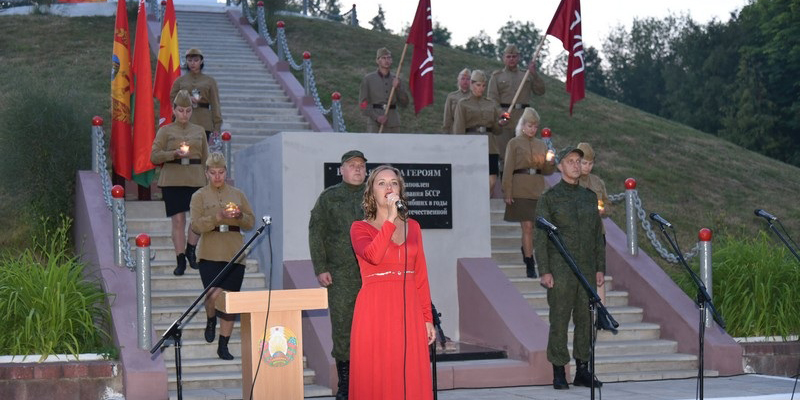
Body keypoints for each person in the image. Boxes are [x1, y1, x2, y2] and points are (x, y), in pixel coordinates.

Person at [348, 165, 436, 400]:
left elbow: (420, 275)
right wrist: (390, 219)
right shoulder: (359, 228)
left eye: (393, 183)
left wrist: (427, 318)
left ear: (400, 190)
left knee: (410, 374)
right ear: (371, 192)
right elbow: (374, 256)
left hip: (409, 309)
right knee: (377, 374)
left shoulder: (413, 227)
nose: (388, 187)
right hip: (374, 310)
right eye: (381, 183)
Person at [535, 146, 605, 390]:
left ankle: (583, 370)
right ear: (560, 166)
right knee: (560, 319)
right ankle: (558, 371)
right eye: (571, 161)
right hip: (560, 268)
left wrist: (600, 267)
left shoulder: (589, 197)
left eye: (579, 161)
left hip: (586, 268)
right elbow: (540, 237)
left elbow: (597, 236)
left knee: (585, 320)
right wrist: (545, 270)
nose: (576, 165)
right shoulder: (550, 198)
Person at [308, 150, 368, 400]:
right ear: (341, 170)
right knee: (343, 328)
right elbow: (316, 232)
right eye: (352, 165)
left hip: (372, 274)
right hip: (341, 275)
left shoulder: (374, 195)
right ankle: (346, 384)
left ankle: (369, 382)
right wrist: (320, 267)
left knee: (371, 329)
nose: (358, 169)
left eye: (361, 165)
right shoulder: (329, 198)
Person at [189, 152, 255, 360]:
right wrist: (217, 217)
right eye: (213, 173)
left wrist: (240, 215)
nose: (217, 176)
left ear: (226, 172)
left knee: (230, 301)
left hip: (234, 253)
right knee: (212, 295)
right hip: (209, 252)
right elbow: (196, 225)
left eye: (221, 172)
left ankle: (223, 345)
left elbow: (251, 222)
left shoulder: (238, 194)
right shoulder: (199, 196)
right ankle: (211, 318)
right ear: (206, 173)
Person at [151, 90, 209, 275]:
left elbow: (206, 158)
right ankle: (180, 259)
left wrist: (211, 179)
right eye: (181, 110)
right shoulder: (165, 130)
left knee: (197, 219)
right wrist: (173, 154)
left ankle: (191, 250)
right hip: (173, 179)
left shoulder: (199, 131)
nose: (184, 114)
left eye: (188, 110)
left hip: (196, 178)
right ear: (174, 110)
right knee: (178, 220)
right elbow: (154, 156)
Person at [502, 107, 556, 278]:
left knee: (534, 228)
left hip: (537, 189)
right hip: (520, 189)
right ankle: (530, 263)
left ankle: (526, 250)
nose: (533, 129)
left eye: (535, 126)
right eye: (530, 126)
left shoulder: (541, 145)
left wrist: (550, 163)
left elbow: (546, 171)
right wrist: (507, 191)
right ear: (523, 125)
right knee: (527, 226)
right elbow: (508, 168)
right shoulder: (514, 143)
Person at [488, 45, 546, 171]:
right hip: (505, 119)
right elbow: (492, 99)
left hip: (523, 119)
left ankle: (521, 182)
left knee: (523, 156)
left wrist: (534, 74)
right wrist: (501, 113)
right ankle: (505, 182)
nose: (511, 59)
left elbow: (540, 91)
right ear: (503, 58)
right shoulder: (497, 76)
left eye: (514, 56)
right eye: (508, 56)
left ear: (518, 58)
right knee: (505, 156)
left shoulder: (526, 75)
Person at [453, 70, 503, 194]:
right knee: (473, 179)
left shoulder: (491, 104)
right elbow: (459, 129)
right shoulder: (463, 104)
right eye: (478, 85)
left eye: (483, 86)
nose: (481, 88)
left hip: (490, 146)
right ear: (471, 84)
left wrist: (501, 123)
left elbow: (497, 130)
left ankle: (484, 200)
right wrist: (460, 148)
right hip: (472, 144)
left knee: (492, 180)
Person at [170, 48, 223, 143]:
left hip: (204, 121)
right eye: (189, 60)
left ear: (201, 61)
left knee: (201, 150)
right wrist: (186, 98)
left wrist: (217, 126)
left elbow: (215, 104)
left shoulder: (210, 81)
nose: (192, 63)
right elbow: (173, 99)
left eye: (196, 60)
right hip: (184, 120)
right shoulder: (180, 81)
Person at [359, 47, 409, 133]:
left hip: (393, 123)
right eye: (383, 58)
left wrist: (398, 87)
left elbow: (405, 103)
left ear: (391, 60)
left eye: (389, 58)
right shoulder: (368, 79)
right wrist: (377, 117)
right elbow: (363, 105)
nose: (386, 60)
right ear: (377, 61)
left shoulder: (396, 79)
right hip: (375, 124)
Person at [441, 68, 471, 133]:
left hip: (471, 130)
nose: (465, 81)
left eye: (468, 79)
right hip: (455, 130)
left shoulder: (474, 96)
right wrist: (446, 131)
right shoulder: (452, 96)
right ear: (458, 80)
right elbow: (447, 116)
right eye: (463, 79)